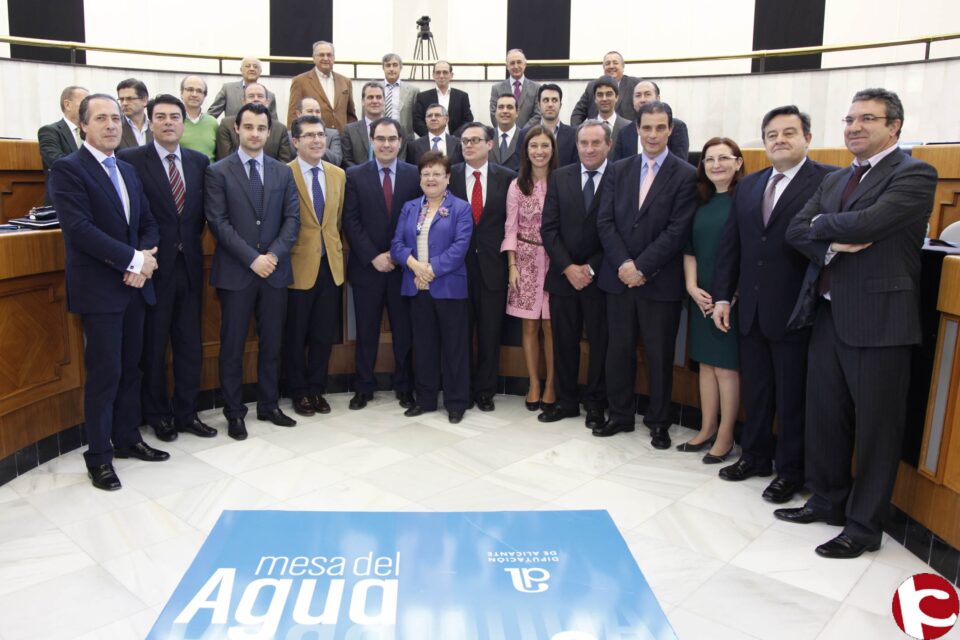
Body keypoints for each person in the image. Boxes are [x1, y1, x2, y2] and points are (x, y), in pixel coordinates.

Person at [779, 88, 937, 559]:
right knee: (825, 416)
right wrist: (831, 242)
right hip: (828, 313)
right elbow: (794, 230)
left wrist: (825, 227)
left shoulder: (914, 174)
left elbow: (871, 223)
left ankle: (864, 526)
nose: (854, 128)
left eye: (867, 119)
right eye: (849, 120)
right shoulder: (836, 179)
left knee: (876, 430)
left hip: (880, 321)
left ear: (895, 127)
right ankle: (827, 500)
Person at [711, 106, 837, 502]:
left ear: (807, 139)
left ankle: (790, 471)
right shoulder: (750, 185)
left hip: (796, 309)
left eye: (789, 133)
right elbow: (733, 245)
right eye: (771, 134)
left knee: (792, 395)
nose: (779, 140)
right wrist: (721, 296)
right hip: (749, 306)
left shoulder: (828, 181)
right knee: (759, 389)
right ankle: (756, 456)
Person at [50, 93, 168, 491]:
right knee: (105, 374)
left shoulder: (128, 169)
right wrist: (135, 262)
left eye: (116, 118)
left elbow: (149, 223)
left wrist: (144, 259)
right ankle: (98, 457)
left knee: (131, 369)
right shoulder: (68, 170)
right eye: (101, 118)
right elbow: (81, 232)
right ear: (82, 125)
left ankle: (128, 439)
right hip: (101, 291)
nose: (111, 125)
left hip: (134, 288)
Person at [596, 101, 697, 444]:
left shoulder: (686, 173)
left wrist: (642, 267)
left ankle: (659, 422)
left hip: (660, 282)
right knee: (618, 351)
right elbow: (605, 222)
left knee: (659, 355)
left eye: (660, 127)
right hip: (619, 280)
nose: (653, 134)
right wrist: (625, 265)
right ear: (637, 129)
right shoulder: (617, 169)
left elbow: (677, 230)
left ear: (670, 130)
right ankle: (620, 415)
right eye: (647, 127)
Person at [118, 94, 215, 442]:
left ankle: (188, 413)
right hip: (153, 270)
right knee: (154, 347)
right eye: (161, 116)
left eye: (175, 116)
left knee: (190, 345)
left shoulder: (199, 161)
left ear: (183, 122)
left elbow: (201, 214)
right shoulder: (130, 159)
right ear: (151, 120)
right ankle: (158, 415)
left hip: (190, 266)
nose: (169, 122)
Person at [205, 103, 300, 440]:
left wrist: (272, 255)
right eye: (249, 127)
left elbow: (292, 220)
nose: (255, 134)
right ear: (237, 129)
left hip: (274, 271)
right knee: (232, 346)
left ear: (269, 131)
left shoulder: (283, 171)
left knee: (272, 342)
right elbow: (218, 222)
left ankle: (269, 404)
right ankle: (234, 412)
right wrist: (252, 259)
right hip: (237, 272)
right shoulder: (218, 171)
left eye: (262, 128)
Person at [342, 117, 421, 410]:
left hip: (403, 269)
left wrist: (398, 255)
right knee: (366, 330)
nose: (386, 144)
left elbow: (418, 220)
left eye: (392, 139)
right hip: (367, 268)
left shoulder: (415, 175)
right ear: (372, 141)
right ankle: (364, 387)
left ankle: (405, 386)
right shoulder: (354, 175)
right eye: (380, 139)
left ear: (400, 142)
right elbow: (350, 221)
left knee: (405, 331)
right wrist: (373, 256)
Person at [391, 151, 473, 424]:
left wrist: (429, 271)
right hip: (417, 287)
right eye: (426, 174)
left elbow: (459, 248)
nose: (431, 178)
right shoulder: (410, 207)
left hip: (449, 288)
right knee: (423, 346)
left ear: (448, 178)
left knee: (454, 348)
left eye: (437, 173)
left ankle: (456, 402)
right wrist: (415, 266)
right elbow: (397, 245)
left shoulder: (461, 208)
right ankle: (425, 400)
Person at [539, 120, 611, 429]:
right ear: (576, 145)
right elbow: (549, 228)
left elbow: (616, 231)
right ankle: (566, 402)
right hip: (563, 276)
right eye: (584, 143)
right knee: (564, 342)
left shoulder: (619, 177)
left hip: (601, 278)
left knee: (599, 343)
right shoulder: (560, 177)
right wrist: (568, 267)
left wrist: (590, 268)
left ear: (608, 145)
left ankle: (595, 403)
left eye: (596, 143)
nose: (590, 149)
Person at [677, 137, 745, 462]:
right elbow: (689, 248)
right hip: (700, 295)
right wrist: (691, 287)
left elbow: (748, 254)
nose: (716, 165)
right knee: (705, 364)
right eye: (709, 159)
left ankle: (727, 436)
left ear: (738, 162)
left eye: (723, 158)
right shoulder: (699, 200)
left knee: (726, 368)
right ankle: (707, 429)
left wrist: (728, 295)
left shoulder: (744, 200)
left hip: (729, 299)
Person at [449, 123, 516, 412]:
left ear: (490, 144)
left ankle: (485, 391)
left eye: (475, 140)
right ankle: (460, 389)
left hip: (493, 269)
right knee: (459, 334)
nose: (469, 145)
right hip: (457, 269)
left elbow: (513, 224)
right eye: (464, 141)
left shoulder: (508, 178)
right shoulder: (449, 176)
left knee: (490, 334)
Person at [283, 115, 346, 417]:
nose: (316, 140)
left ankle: (317, 388)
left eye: (320, 134)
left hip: (331, 265)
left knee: (323, 334)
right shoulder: (284, 174)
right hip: (297, 265)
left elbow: (335, 222)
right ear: (295, 141)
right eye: (308, 135)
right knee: (296, 334)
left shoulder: (338, 174)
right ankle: (298, 391)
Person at [502, 125, 558, 411]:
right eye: (533, 146)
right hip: (524, 259)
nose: (539, 151)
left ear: (552, 149)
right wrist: (512, 265)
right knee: (529, 325)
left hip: (554, 261)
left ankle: (551, 384)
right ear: (526, 150)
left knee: (551, 326)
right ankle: (534, 382)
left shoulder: (561, 180)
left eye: (544, 146)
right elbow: (510, 227)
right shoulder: (517, 184)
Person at [287, 41, 357, 132]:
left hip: (342, 140)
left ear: (334, 58)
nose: (325, 58)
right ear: (314, 58)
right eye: (321, 55)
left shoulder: (346, 82)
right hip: (313, 138)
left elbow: (351, 115)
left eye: (329, 55)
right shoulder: (300, 81)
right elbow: (293, 115)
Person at [613, 80, 690, 163]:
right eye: (638, 95)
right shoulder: (625, 132)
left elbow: (680, 165)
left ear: (658, 98)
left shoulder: (677, 127)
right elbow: (619, 168)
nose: (642, 99)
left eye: (647, 94)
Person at [215, 83, 293, 162]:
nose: (256, 99)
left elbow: (284, 164)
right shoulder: (227, 125)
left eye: (260, 96)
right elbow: (224, 160)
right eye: (251, 96)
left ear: (267, 102)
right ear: (243, 101)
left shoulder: (280, 129)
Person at [38, 85, 88, 204]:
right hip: (64, 199)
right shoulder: (49, 131)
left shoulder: (91, 131)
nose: (90, 107)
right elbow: (57, 161)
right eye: (85, 102)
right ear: (67, 105)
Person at [343, 82, 407, 167]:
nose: (375, 101)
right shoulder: (350, 130)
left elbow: (401, 160)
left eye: (378, 97)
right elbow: (347, 160)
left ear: (384, 101)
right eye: (370, 97)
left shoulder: (399, 129)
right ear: (362, 101)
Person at [570, 51, 639, 126]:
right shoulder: (592, 86)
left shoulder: (635, 85)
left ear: (623, 66)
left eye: (615, 63)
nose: (611, 66)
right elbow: (577, 114)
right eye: (607, 64)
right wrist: (578, 134)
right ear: (603, 67)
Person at [413, 60, 473, 137]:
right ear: (433, 75)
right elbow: (417, 121)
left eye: (445, 72)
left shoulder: (462, 96)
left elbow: (468, 120)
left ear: (451, 75)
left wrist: (454, 138)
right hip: (430, 143)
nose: (441, 76)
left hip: (456, 142)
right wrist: (431, 137)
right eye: (438, 72)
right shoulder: (423, 97)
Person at [207, 57, 279, 120]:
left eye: (255, 66)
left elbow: (274, 123)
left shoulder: (269, 95)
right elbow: (211, 115)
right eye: (247, 66)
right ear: (241, 70)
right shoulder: (228, 90)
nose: (251, 69)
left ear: (260, 71)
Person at [488, 49, 541, 128]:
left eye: (519, 62)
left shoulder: (536, 88)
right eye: (512, 63)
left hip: (527, 136)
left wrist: (521, 133)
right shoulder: (496, 88)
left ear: (524, 64)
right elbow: (494, 114)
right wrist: (508, 131)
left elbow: (538, 114)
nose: (516, 66)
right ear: (507, 66)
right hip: (505, 136)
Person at [291, 97, 343, 166]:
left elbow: (336, 161)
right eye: (310, 111)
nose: (315, 115)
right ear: (298, 113)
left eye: (318, 112)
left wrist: (319, 145)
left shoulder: (333, 134)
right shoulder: (289, 136)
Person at [537, 84, 577, 167]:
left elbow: (576, 167)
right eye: (546, 100)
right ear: (539, 105)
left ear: (560, 105)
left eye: (554, 100)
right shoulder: (525, 134)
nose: (550, 104)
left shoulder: (573, 134)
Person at [179, 76, 218, 162]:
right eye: (190, 89)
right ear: (181, 93)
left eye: (199, 91)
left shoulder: (213, 123)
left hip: (209, 174)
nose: (194, 94)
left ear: (204, 96)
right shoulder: (175, 121)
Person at [381, 53, 419, 139]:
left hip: (405, 139)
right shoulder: (375, 89)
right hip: (380, 138)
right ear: (383, 68)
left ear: (400, 67)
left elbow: (417, 119)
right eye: (388, 65)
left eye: (395, 65)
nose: (391, 69)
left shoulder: (413, 91)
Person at [592, 76, 631, 157]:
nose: (604, 99)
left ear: (617, 97)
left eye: (609, 94)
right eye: (600, 95)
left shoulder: (629, 127)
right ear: (595, 99)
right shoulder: (586, 129)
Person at [489, 93, 525, 171]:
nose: (505, 111)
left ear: (517, 112)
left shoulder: (525, 137)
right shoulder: (487, 137)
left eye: (510, 107)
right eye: (501, 107)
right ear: (495, 112)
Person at [117, 78, 152, 149]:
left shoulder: (155, 126)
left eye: (129, 99)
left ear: (144, 100)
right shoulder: (116, 127)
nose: (124, 103)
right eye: (121, 99)